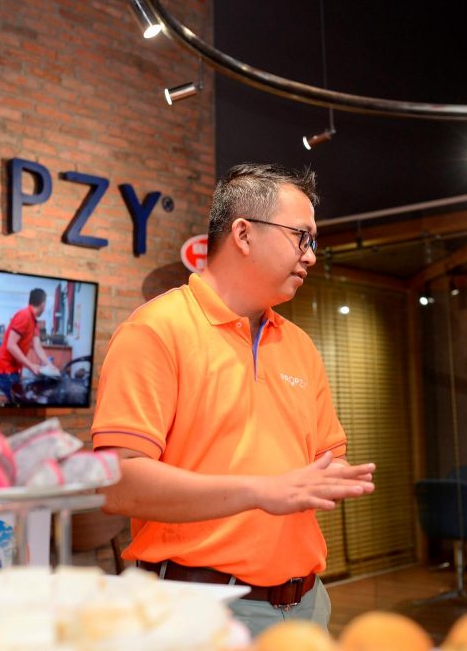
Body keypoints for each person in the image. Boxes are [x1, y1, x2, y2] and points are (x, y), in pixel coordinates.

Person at [91, 163, 376, 637]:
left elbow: (324, 461)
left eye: (313, 242)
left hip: (307, 606)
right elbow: (117, 483)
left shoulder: (299, 345)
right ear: (243, 234)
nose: (310, 256)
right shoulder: (155, 330)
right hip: (195, 608)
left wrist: (330, 476)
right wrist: (260, 491)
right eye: (300, 237)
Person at [0, 287, 50, 403]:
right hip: (5, 371)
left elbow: (38, 346)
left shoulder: (34, 322)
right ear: (43, 304)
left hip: (14, 370)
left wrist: (49, 365)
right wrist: (31, 366)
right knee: (21, 403)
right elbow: (11, 345)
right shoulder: (24, 315)